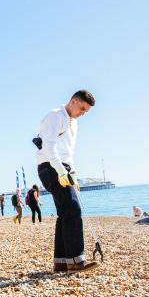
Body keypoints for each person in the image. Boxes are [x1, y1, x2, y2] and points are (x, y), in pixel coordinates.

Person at [37, 90, 98, 273]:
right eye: (82, 108)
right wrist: (61, 172)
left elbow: (68, 153)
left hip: (64, 168)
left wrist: (74, 175)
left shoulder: (74, 123)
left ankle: (61, 262)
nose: (83, 113)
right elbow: (49, 147)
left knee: (65, 212)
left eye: (86, 111)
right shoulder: (55, 116)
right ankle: (76, 261)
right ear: (73, 101)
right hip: (50, 167)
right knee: (73, 209)